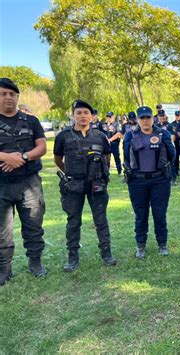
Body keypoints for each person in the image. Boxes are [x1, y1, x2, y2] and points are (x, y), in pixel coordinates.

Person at [54, 100, 117, 272]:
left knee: (101, 219)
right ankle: (72, 256)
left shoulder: (100, 136)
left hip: (96, 184)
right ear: (73, 115)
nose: (82, 116)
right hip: (73, 184)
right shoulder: (63, 136)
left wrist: (102, 175)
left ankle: (106, 253)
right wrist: (70, 172)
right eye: (79, 113)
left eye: (86, 113)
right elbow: (58, 159)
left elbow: (107, 156)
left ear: (92, 116)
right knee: (73, 221)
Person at [0, 77, 48, 284]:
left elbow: (42, 147)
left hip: (29, 183)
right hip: (1, 185)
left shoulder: (31, 121)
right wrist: (5, 157)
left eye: (12, 94)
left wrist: (23, 157)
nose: (8, 97)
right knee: (2, 231)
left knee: (33, 226)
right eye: (3, 94)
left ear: (17, 97)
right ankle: (4, 269)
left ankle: (35, 263)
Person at [123, 106, 176, 258]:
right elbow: (126, 156)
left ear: (152, 118)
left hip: (159, 180)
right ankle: (141, 245)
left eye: (148, 117)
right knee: (141, 215)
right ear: (137, 120)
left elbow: (172, 154)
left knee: (160, 214)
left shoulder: (163, 133)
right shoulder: (130, 135)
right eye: (142, 118)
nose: (145, 121)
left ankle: (162, 244)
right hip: (137, 181)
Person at [171, 110, 180, 181]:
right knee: (176, 157)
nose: (177, 117)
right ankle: (176, 171)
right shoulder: (172, 124)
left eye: (179, 115)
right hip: (175, 142)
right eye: (176, 116)